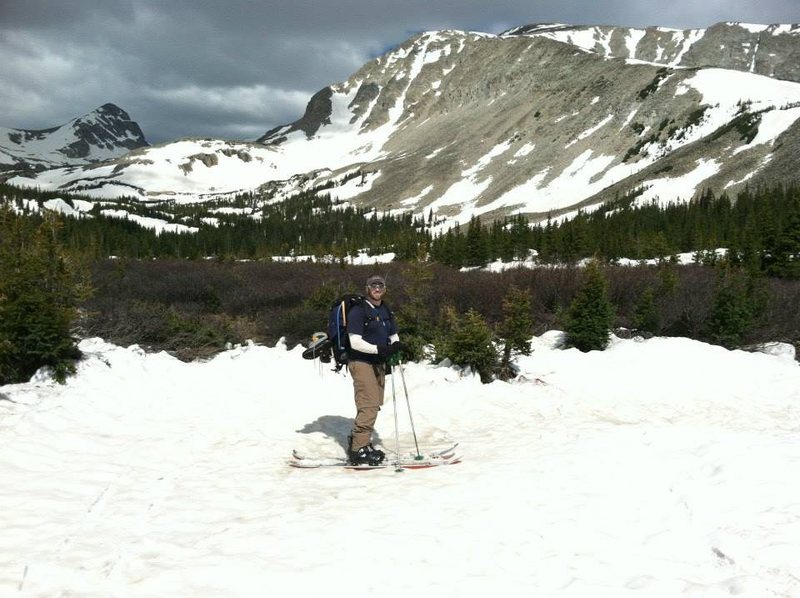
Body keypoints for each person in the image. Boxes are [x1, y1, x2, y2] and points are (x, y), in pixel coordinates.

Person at [346, 275, 403, 465]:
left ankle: (360, 441)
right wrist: (379, 349)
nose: (377, 289)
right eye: (373, 285)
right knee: (368, 404)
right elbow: (354, 342)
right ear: (367, 288)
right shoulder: (358, 310)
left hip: (378, 363)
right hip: (361, 361)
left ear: (384, 289)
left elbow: (393, 334)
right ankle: (358, 451)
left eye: (380, 285)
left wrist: (395, 346)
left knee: (375, 403)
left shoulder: (385, 309)